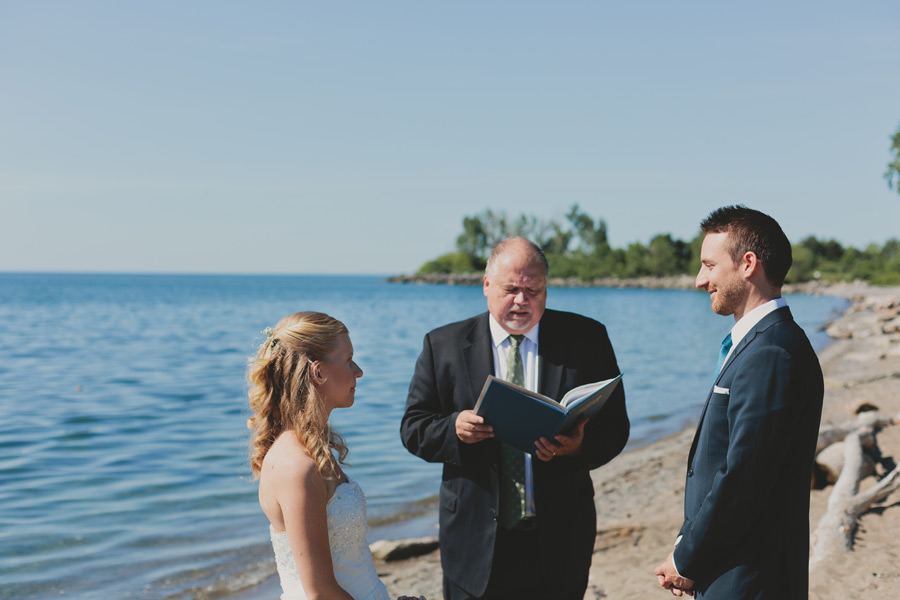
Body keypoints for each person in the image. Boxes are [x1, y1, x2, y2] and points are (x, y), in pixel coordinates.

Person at [400, 237, 630, 600]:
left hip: (560, 539)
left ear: (546, 289)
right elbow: (413, 428)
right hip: (473, 540)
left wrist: (578, 445)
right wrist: (454, 429)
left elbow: (617, 429)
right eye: (511, 289)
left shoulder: (587, 338)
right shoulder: (442, 344)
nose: (522, 300)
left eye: (533, 290)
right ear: (487, 286)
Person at [654, 206, 824, 598]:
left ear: (748, 264)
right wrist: (684, 546)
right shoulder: (758, 345)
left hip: (748, 580)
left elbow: (745, 478)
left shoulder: (772, 353)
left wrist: (685, 561)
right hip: (728, 567)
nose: (700, 280)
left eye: (709, 265)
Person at [247, 311, 423, 600]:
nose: (359, 371)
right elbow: (319, 593)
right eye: (348, 360)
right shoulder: (296, 467)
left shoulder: (310, 449)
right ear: (318, 372)